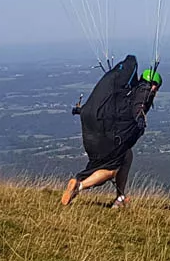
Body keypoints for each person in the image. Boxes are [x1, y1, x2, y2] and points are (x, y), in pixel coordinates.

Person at [61, 54, 161, 209]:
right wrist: (140, 118)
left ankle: (120, 198)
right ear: (153, 85)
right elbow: (138, 107)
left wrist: (81, 110)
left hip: (98, 133)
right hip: (109, 139)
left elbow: (112, 109)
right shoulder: (144, 93)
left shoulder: (126, 91)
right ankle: (79, 186)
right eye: (155, 86)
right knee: (110, 171)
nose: (154, 89)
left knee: (127, 156)